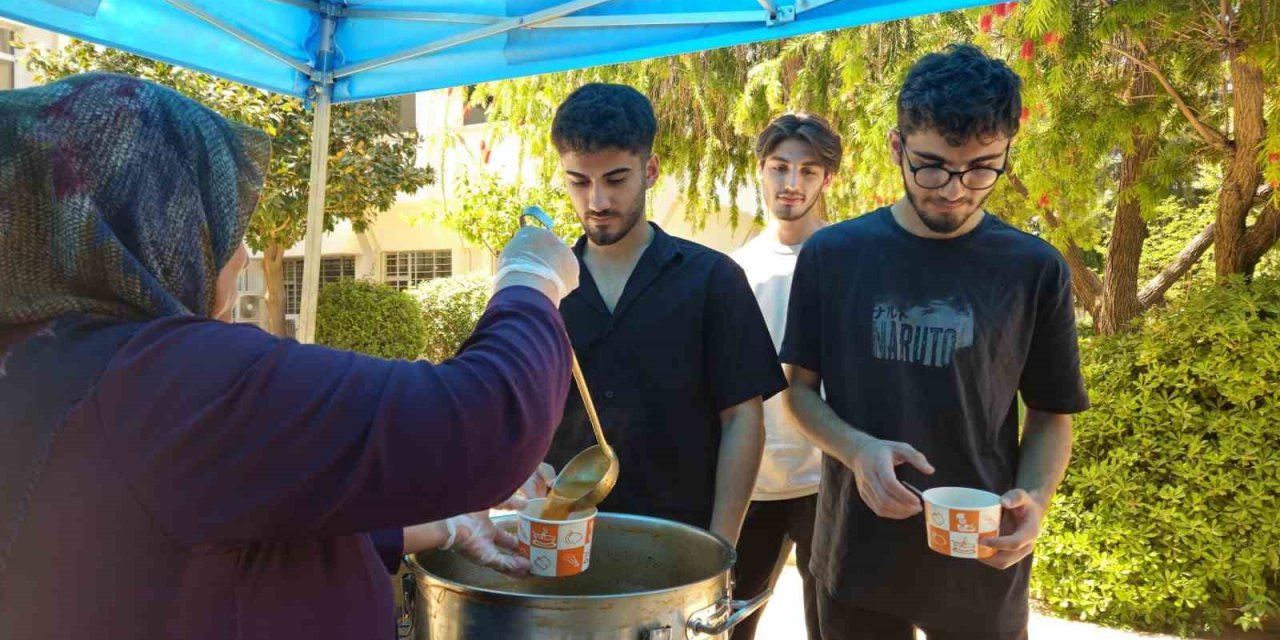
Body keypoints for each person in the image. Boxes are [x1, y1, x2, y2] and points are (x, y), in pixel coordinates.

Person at [0, 73, 580, 639]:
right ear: (152, 217)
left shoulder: (43, 364)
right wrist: (529, 282)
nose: (245, 251)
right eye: (220, 223)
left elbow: (212, 528)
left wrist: (439, 525)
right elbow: (487, 421)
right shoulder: (161, 381)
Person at [780, 44, 1089, 640]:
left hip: (982, 555)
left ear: (1005, 153)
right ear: (897, 146)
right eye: (931, 165)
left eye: (980, 168)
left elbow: (1052, 414)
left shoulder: (1034, 269)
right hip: (857, 554)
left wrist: (1037, 501)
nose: (953, 189)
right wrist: (856, 449)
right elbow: (798, 394)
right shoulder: (833, 255)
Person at [541, 83, 787, 546]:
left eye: (615, 179)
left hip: (680, 543)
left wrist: (721, 546)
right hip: (563, 542)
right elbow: (514, 408)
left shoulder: (713, 279)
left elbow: (742, 419)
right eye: (579, 181)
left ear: (649, 170)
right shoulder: (545, 290)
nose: (596, 202)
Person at [728, 112, 841, 640]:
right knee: (731, 621)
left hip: (830, 478)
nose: (791, 184)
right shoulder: (736, 268)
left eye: (808, 171)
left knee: (833, 625)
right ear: (761, 171)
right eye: (779, 168)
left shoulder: (848, 260)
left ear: (827, 179)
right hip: (755, 479)